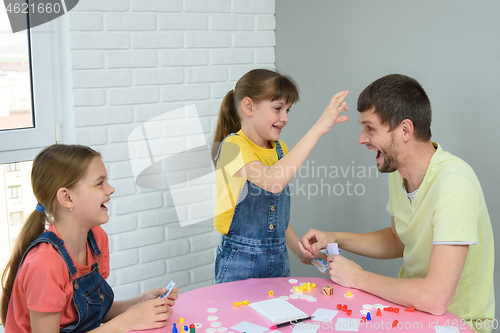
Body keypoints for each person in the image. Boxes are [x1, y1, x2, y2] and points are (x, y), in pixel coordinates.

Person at [298, 74, 494, 333]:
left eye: (370, 128)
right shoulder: (398, 171)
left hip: (458, 323)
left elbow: (436, 298)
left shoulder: (454, 185)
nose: (361, 139)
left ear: (405, 130)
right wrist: (334, 237)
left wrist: (358, 278)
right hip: (413, 314)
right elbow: (398, 240)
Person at [1, 144, 179, 333]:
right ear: (67, 197)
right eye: (99, 183)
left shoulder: (96, 239)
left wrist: (138, 303)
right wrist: (128, 321)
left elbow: (93, 311)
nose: (110, 189)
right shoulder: (44, 264)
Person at [211, 68, 349, 283]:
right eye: (277, 108)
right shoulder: (232, 148)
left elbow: (274, 215)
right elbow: (273, 182)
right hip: (241, 259)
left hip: (278, 258)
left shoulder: (279, 149)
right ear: (248, 106)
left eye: (288, 110)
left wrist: (298, 250)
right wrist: (319, 128)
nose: (285, 118)